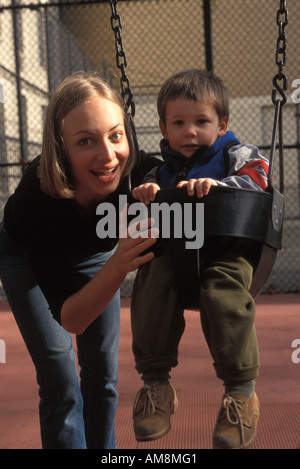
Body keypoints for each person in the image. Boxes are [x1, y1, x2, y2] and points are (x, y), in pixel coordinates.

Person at [0, 72, 159, 449]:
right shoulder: (34, 202)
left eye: (115, 135)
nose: (108, 156)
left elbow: (200, 172)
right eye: (86, 141)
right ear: (61, 147)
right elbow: (71, 319)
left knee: (102, 377)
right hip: (25, 257)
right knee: (60, 378)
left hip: (95, 254)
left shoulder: (138, 173)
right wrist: (119, 265)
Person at [131, 69, 269, 449]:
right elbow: (150, 197)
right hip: (176, 256)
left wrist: (220, 186)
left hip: (226, 251)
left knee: (223, 293)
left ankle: (241, 393)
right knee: (150, 281)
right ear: (163, 127)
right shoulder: (163, 170)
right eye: (179, 123)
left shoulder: (234, 153)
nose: (189, 131)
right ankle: (156, 386)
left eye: (201, 122)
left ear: (222, 124)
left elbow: (259, 178)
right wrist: (148, 190)